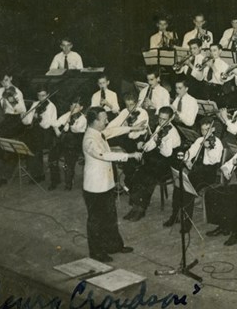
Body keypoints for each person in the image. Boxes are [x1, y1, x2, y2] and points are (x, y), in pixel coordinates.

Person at [82, 106, 143, 262]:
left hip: (106, 183)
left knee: (110, 216)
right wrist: (129, 155)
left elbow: (113, 131)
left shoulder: (99, 132)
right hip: (95, 187)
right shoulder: (89, 139)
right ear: (95, 121)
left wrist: (132, 128)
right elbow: (104, 155)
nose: (107, 121)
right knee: (96, 220)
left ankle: (114, 245)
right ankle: (96, 252)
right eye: (104, 119)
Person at [163, 117, 223, 229]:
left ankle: (187, 222)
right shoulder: (200, 140)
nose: (204, 132)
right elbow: (190, 152)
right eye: (202, 130)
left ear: (213, 129)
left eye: (207, 130)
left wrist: (208, 149)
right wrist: (187, 160)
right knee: (179, 184)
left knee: (187, 188)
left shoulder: (217, 144)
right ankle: (175, 215)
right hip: (197, 171)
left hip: (208, 174)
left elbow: (214, 160)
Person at [125, 106, 182, 222]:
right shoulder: (160, 127)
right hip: (157, 161)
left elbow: (166, 153)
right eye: (160, 118)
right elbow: (151, 143)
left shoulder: (172, 133)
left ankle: (141, 209)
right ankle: (135, 206)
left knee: (148, 177)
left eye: (164, 119)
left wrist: (159, 141)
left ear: (170, 119)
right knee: (138, 172)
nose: (161, 122)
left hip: (167, 164)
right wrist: (146, 145)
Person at [21, 87, 58, 184]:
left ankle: (38, 175)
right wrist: (24, 116)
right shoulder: (35, 104)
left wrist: (40, 118)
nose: (41, 98)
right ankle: (33, 169)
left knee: (35, 146)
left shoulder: (51, 106)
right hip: (35, 131)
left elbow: (46, 125)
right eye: (39, 95)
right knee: (25, 143)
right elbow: (28, 121)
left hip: (46, 133)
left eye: (43, 95)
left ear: (48, 95)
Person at [49, 99, 87, 191]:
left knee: (68, 162)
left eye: (76, 107)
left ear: (81, 108)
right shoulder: (67, 114)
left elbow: (76, 130)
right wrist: (57, 131)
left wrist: (70, 123)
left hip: (75, 142)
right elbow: (55, 123)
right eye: (71, 106)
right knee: (52, 157)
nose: (72, 109)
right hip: (64, 140)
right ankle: (55, 180)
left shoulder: (82, 118)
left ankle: (68, 183)